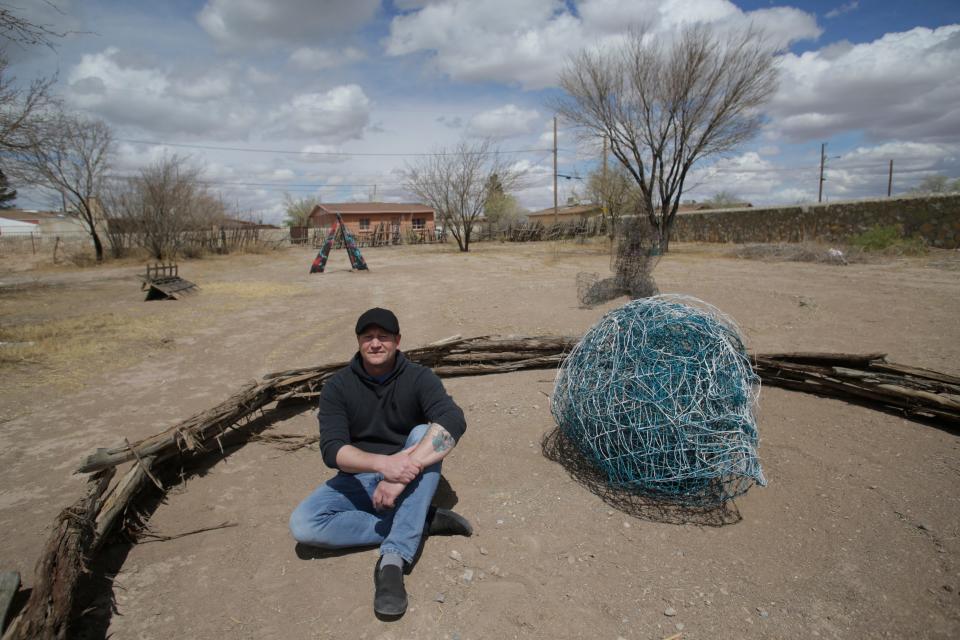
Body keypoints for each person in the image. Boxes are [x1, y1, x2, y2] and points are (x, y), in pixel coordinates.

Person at [289, 307, 472, 617]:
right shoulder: (338, 386)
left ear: (397, 341)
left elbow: (453, 420)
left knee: (422, 433)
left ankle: (392, 561)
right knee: (304, 526)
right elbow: (332, 450)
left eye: (383, 337)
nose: (375, 344)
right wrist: (382, 465)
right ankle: (419, 522)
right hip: (358, 476)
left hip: (409, 477)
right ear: (359, 341)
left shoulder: (418, 377)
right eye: (368, 337)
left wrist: (399, 476)